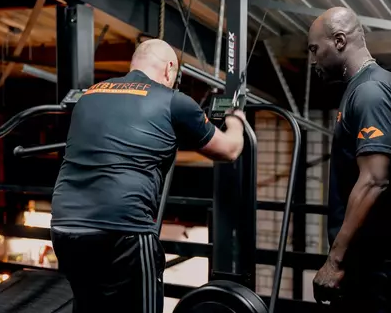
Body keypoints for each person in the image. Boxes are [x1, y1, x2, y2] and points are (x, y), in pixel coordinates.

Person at [50, 39, 247, 313]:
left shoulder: (91, 94)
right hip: (123, 232)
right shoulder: (173, 101)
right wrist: (236, 119)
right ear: (169, 69)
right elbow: (229, 150)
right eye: (175, 76)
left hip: (65, 228)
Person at [308, 7, 391, 313]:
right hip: (372, 262)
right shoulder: (379, 84)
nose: (313, 60)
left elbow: (374, 180)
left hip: (370, 265)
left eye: (315, 49)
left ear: (339, 41)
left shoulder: (370, 91)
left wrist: (334, 261)